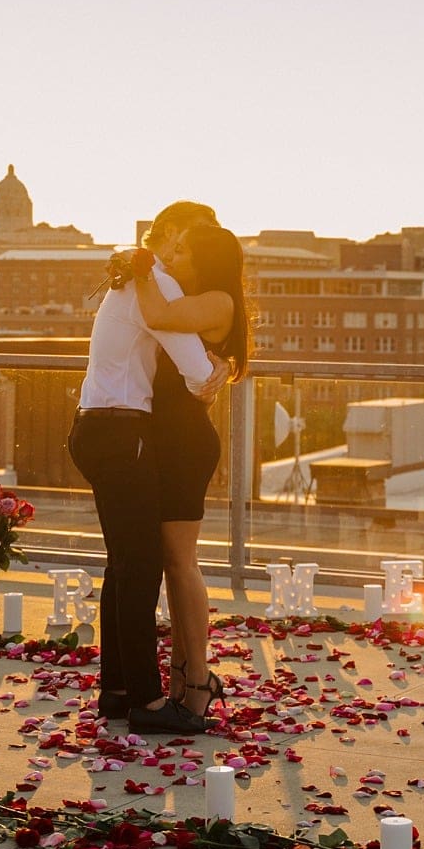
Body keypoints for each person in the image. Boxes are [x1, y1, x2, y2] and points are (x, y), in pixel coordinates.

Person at [67, 200, 224, 733]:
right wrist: (219, 368)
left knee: (121, 565)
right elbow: (197, 373)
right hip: (122, 432)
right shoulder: (156, 284)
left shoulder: (128, 278)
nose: (193, 249)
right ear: (172, 232)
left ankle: (115, 689)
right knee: (141, 568)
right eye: (192, 237)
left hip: (92, 425)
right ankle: (147, 702)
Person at [136, 222, 249, 723]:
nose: (171, 256)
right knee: (173, 563)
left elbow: (156, 313)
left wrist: (137, 267)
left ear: (204, 260)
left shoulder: (219, 301)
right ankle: (184, 675)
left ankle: (198, 681)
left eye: (181, 251)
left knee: (181, 564)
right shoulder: (204, 299)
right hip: (170, 442)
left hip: (184, 444)